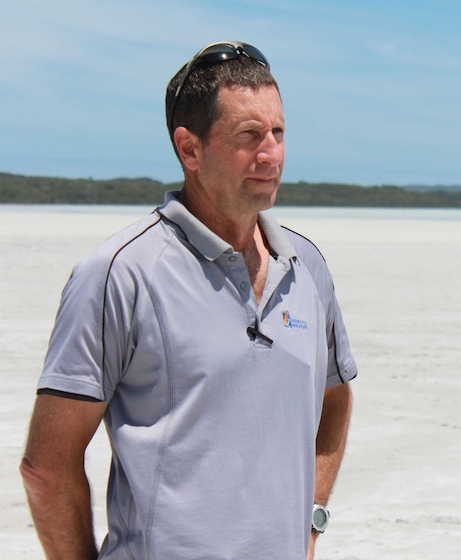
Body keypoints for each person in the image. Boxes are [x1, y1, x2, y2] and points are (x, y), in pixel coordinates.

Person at [19, 41, 357, 560]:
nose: (271, 154)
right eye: (248, 136)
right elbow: (47, 466)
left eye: (278, 132)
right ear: (190, 149)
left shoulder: (306, 266)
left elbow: (333, 401)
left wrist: (310, 522)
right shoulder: (121, 273)